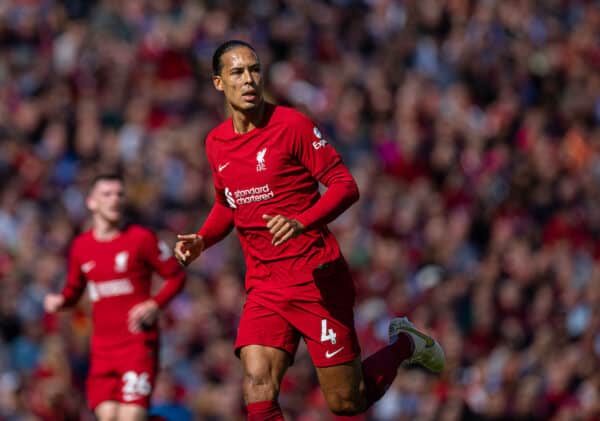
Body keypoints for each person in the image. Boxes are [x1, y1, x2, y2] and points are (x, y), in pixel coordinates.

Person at [174, 40, 445, 419]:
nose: (249, 79)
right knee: (257, 384)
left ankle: (404, 344)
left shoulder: (292, 125)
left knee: (345, 402)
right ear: (219, 83)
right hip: (265, 285)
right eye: (237, 72)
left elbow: (344, 185)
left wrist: (302, 221)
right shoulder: (216, 143)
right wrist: (203, 239)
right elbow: (226, 204)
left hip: (315, 278)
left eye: (255, 69)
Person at [44, 174, 186, 421]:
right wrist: (60, 301)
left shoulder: (141, 239)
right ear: (91, 202)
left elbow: (176, 276)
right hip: (101, 351)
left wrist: (155, 304)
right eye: (107, 194)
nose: (115, 200)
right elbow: (74, 289)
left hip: (137, 346)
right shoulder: (81, 246)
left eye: (119, 194)